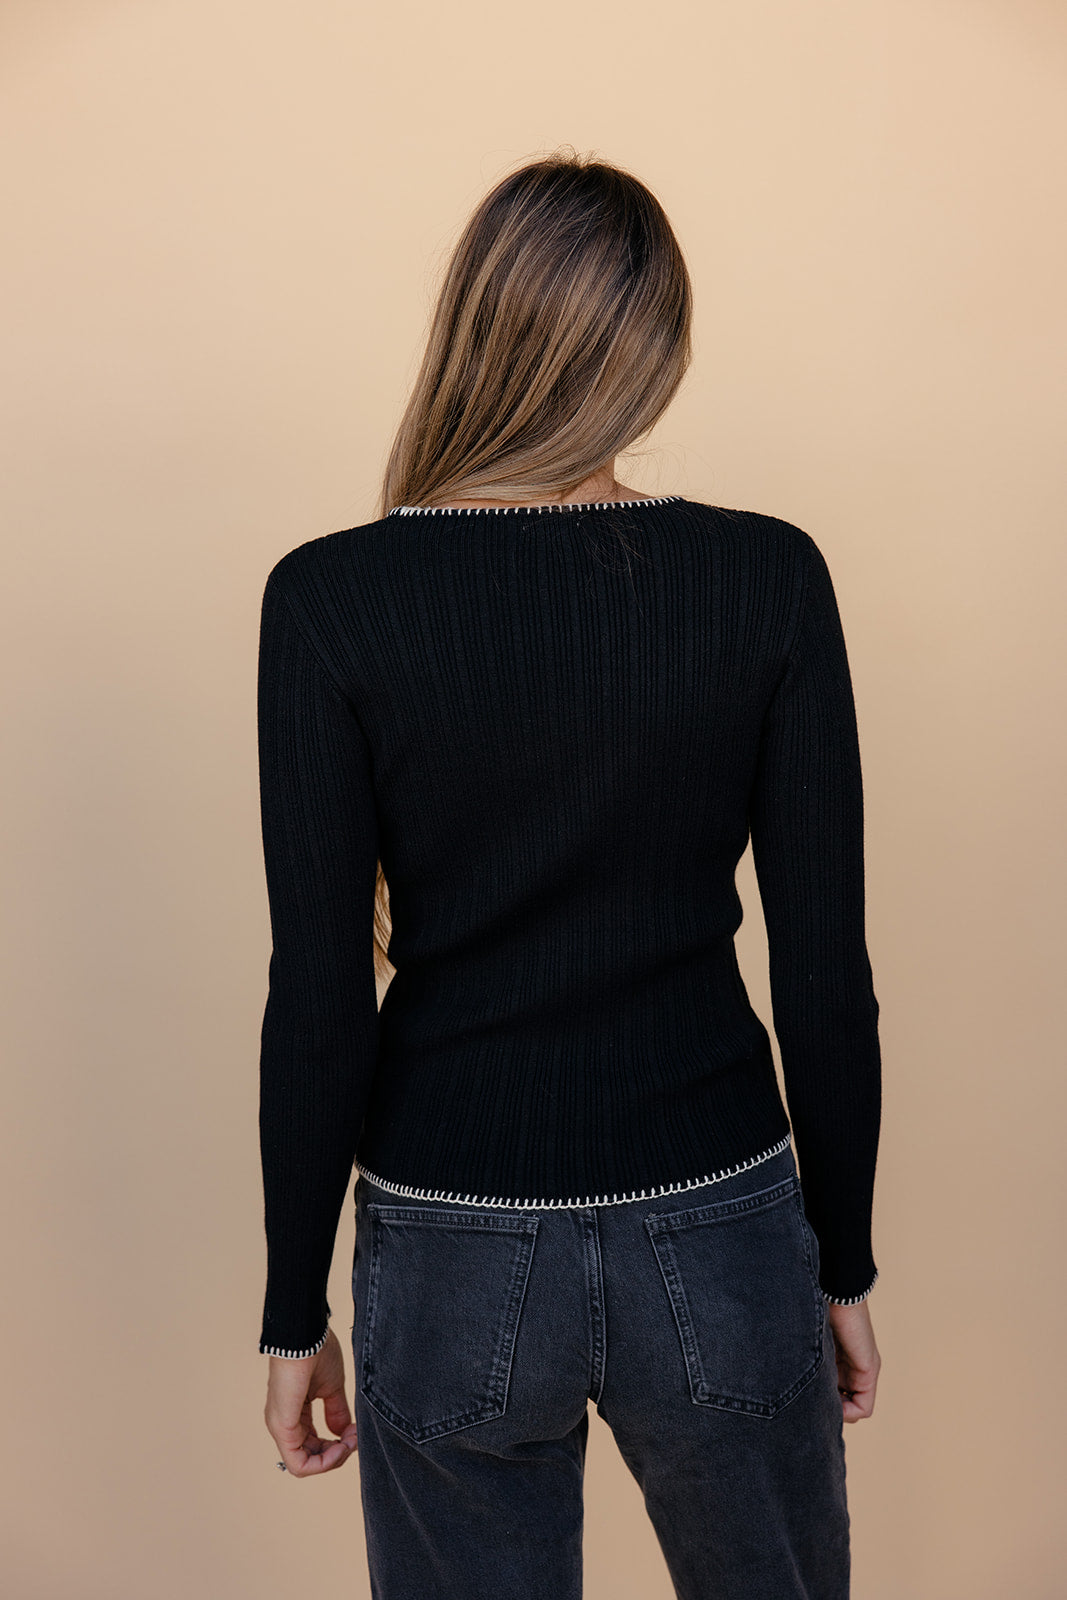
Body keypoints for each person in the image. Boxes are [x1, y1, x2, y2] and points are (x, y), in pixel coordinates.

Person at [255, 148, 882, 1599]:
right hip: (721, 1224)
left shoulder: (332, 601)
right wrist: (839, 1265)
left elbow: (318, 993)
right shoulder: (768, 579)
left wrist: (295, 1313)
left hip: (449, 1234)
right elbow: (826, 978)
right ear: (652, 349)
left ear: (474, 331)